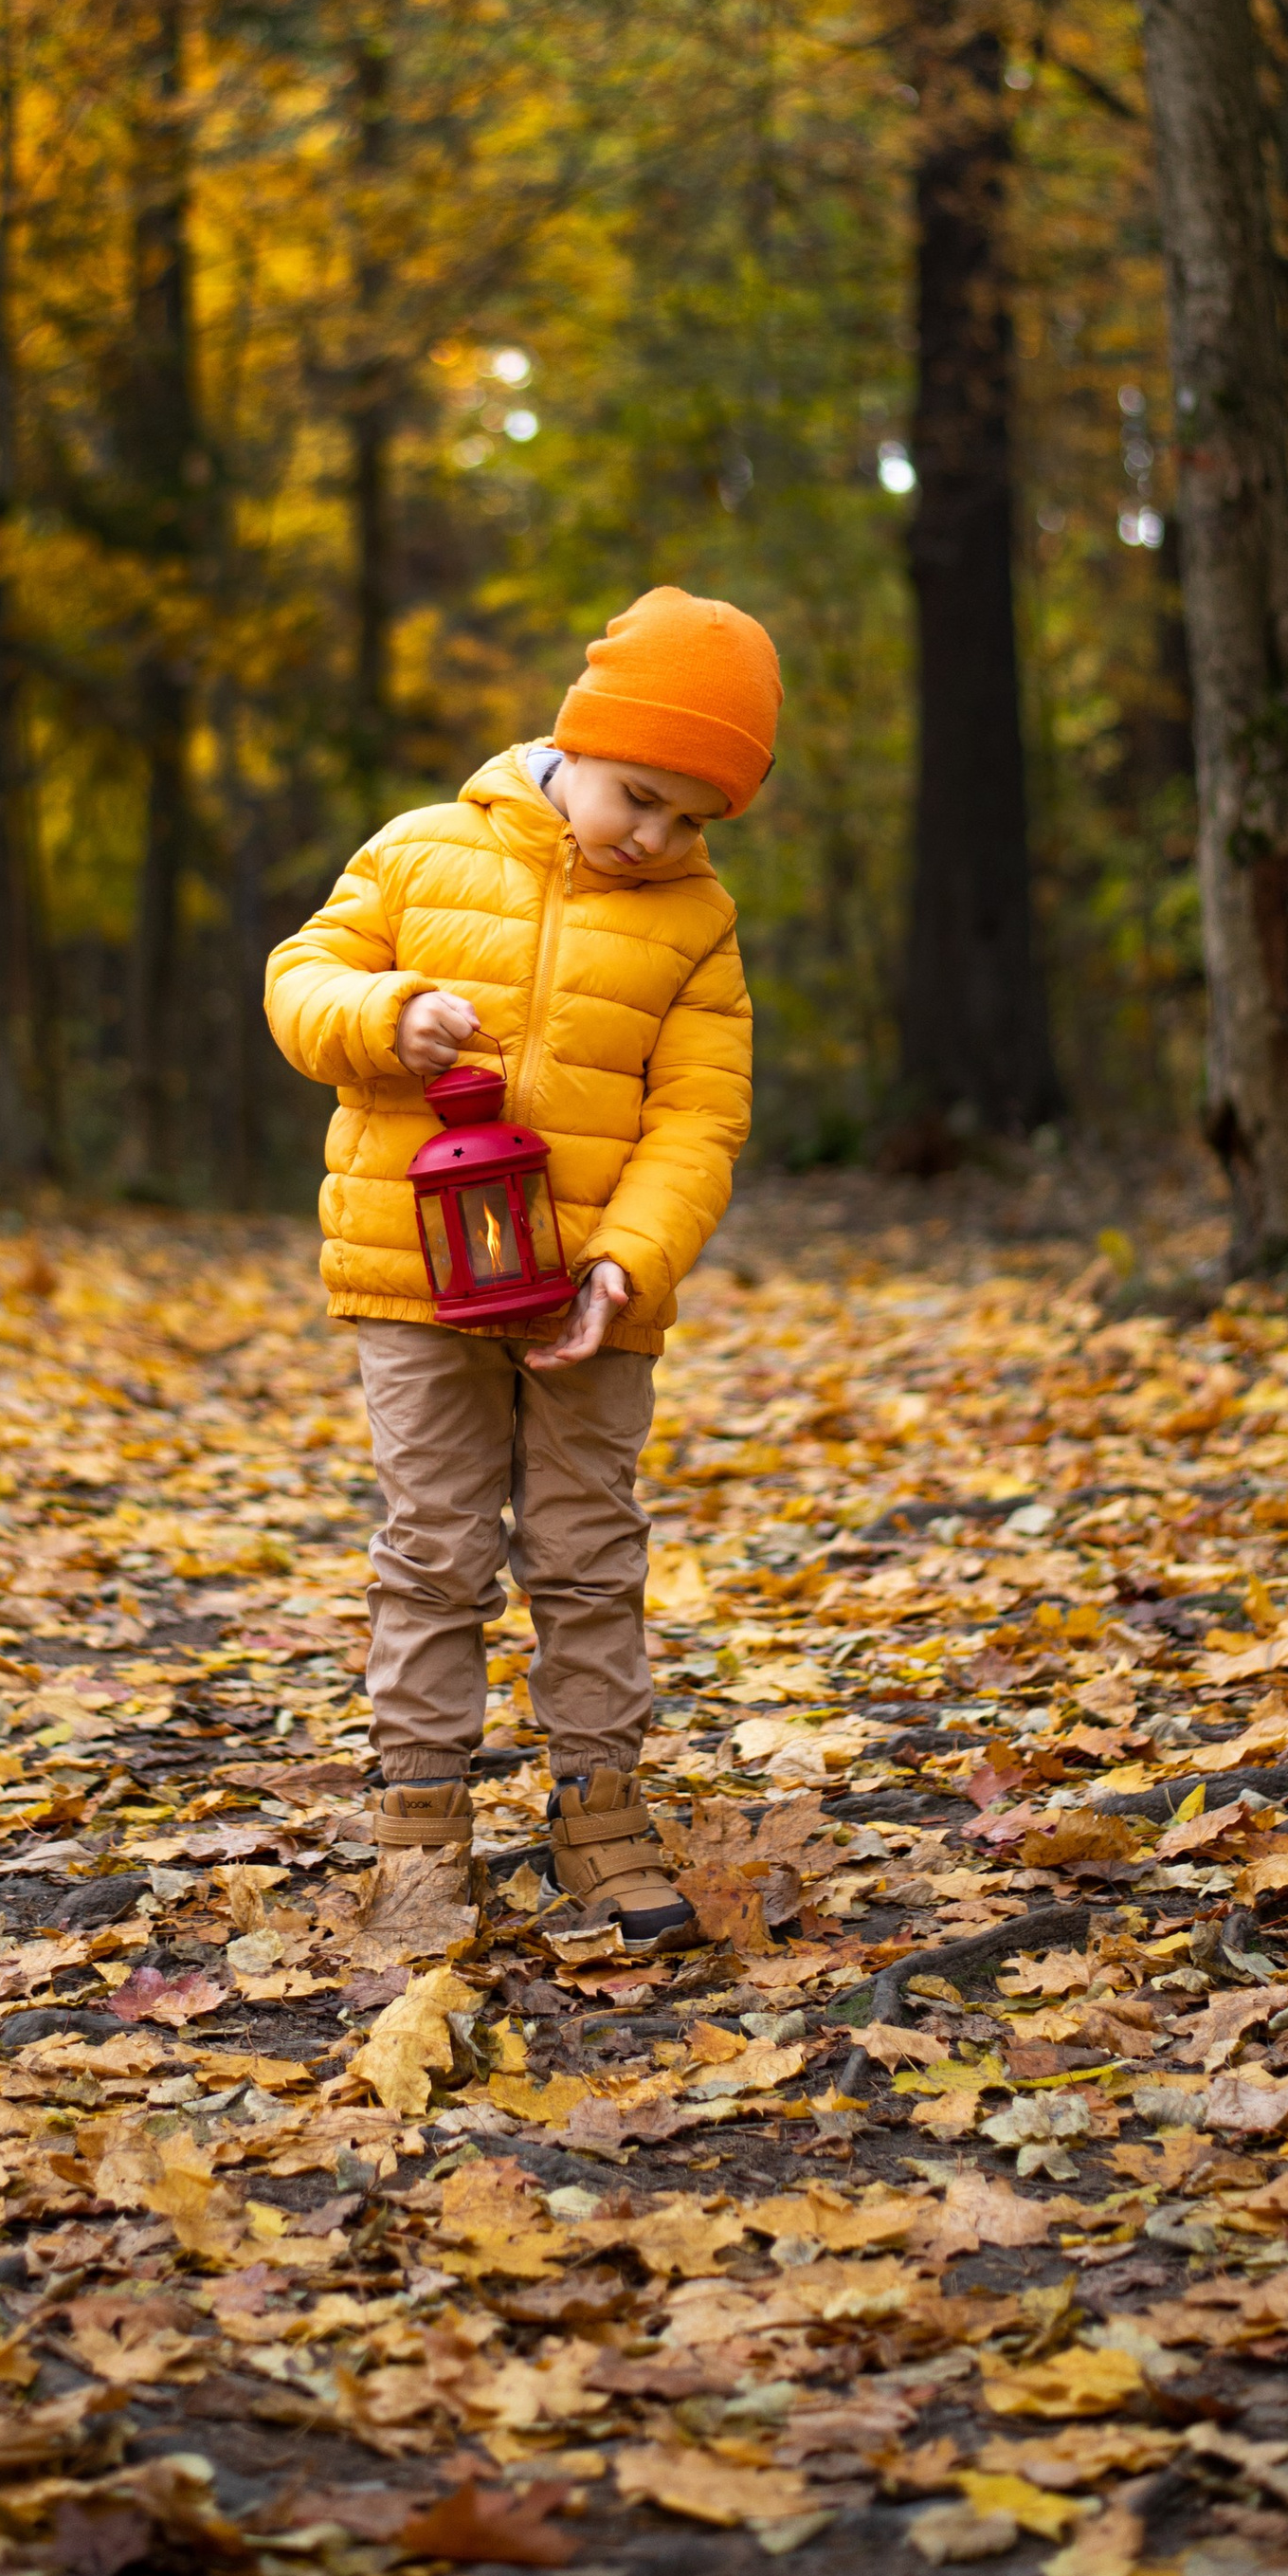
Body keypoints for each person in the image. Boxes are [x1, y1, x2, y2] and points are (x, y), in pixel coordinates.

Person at [263, 586, 779, 1946]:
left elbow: (699, 1117)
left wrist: (627, 1265)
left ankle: (602, 1819)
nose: (658, 837)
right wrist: (387, 1016)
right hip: (416, 1276)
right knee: (433, 1548)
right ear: (578, 743)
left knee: (587, 1552)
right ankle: (422, 1828)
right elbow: (298, 981)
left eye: (692, 818)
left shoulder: (696, 926)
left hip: (589, 1299)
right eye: (640, 796)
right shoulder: (424, 850)